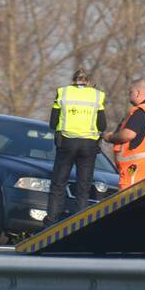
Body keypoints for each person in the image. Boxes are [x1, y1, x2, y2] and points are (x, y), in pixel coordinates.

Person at [46, 68, 106, 225]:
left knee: (59, 184)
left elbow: (53, 123)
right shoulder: (97, 96)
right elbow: (102, 124)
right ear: (88, 81)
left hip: (67, 142)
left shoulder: (63, 92)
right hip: (88, 145)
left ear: (73, 80)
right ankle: (80, 223)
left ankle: (52, 221)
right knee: (84, 186)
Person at [103, 78, 145, 189]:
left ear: (138, 93)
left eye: (130, 92)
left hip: (135, 171)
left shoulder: (141, 111)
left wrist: (110, 137)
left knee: (130, 203)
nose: (128, 96)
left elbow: (128, 134)